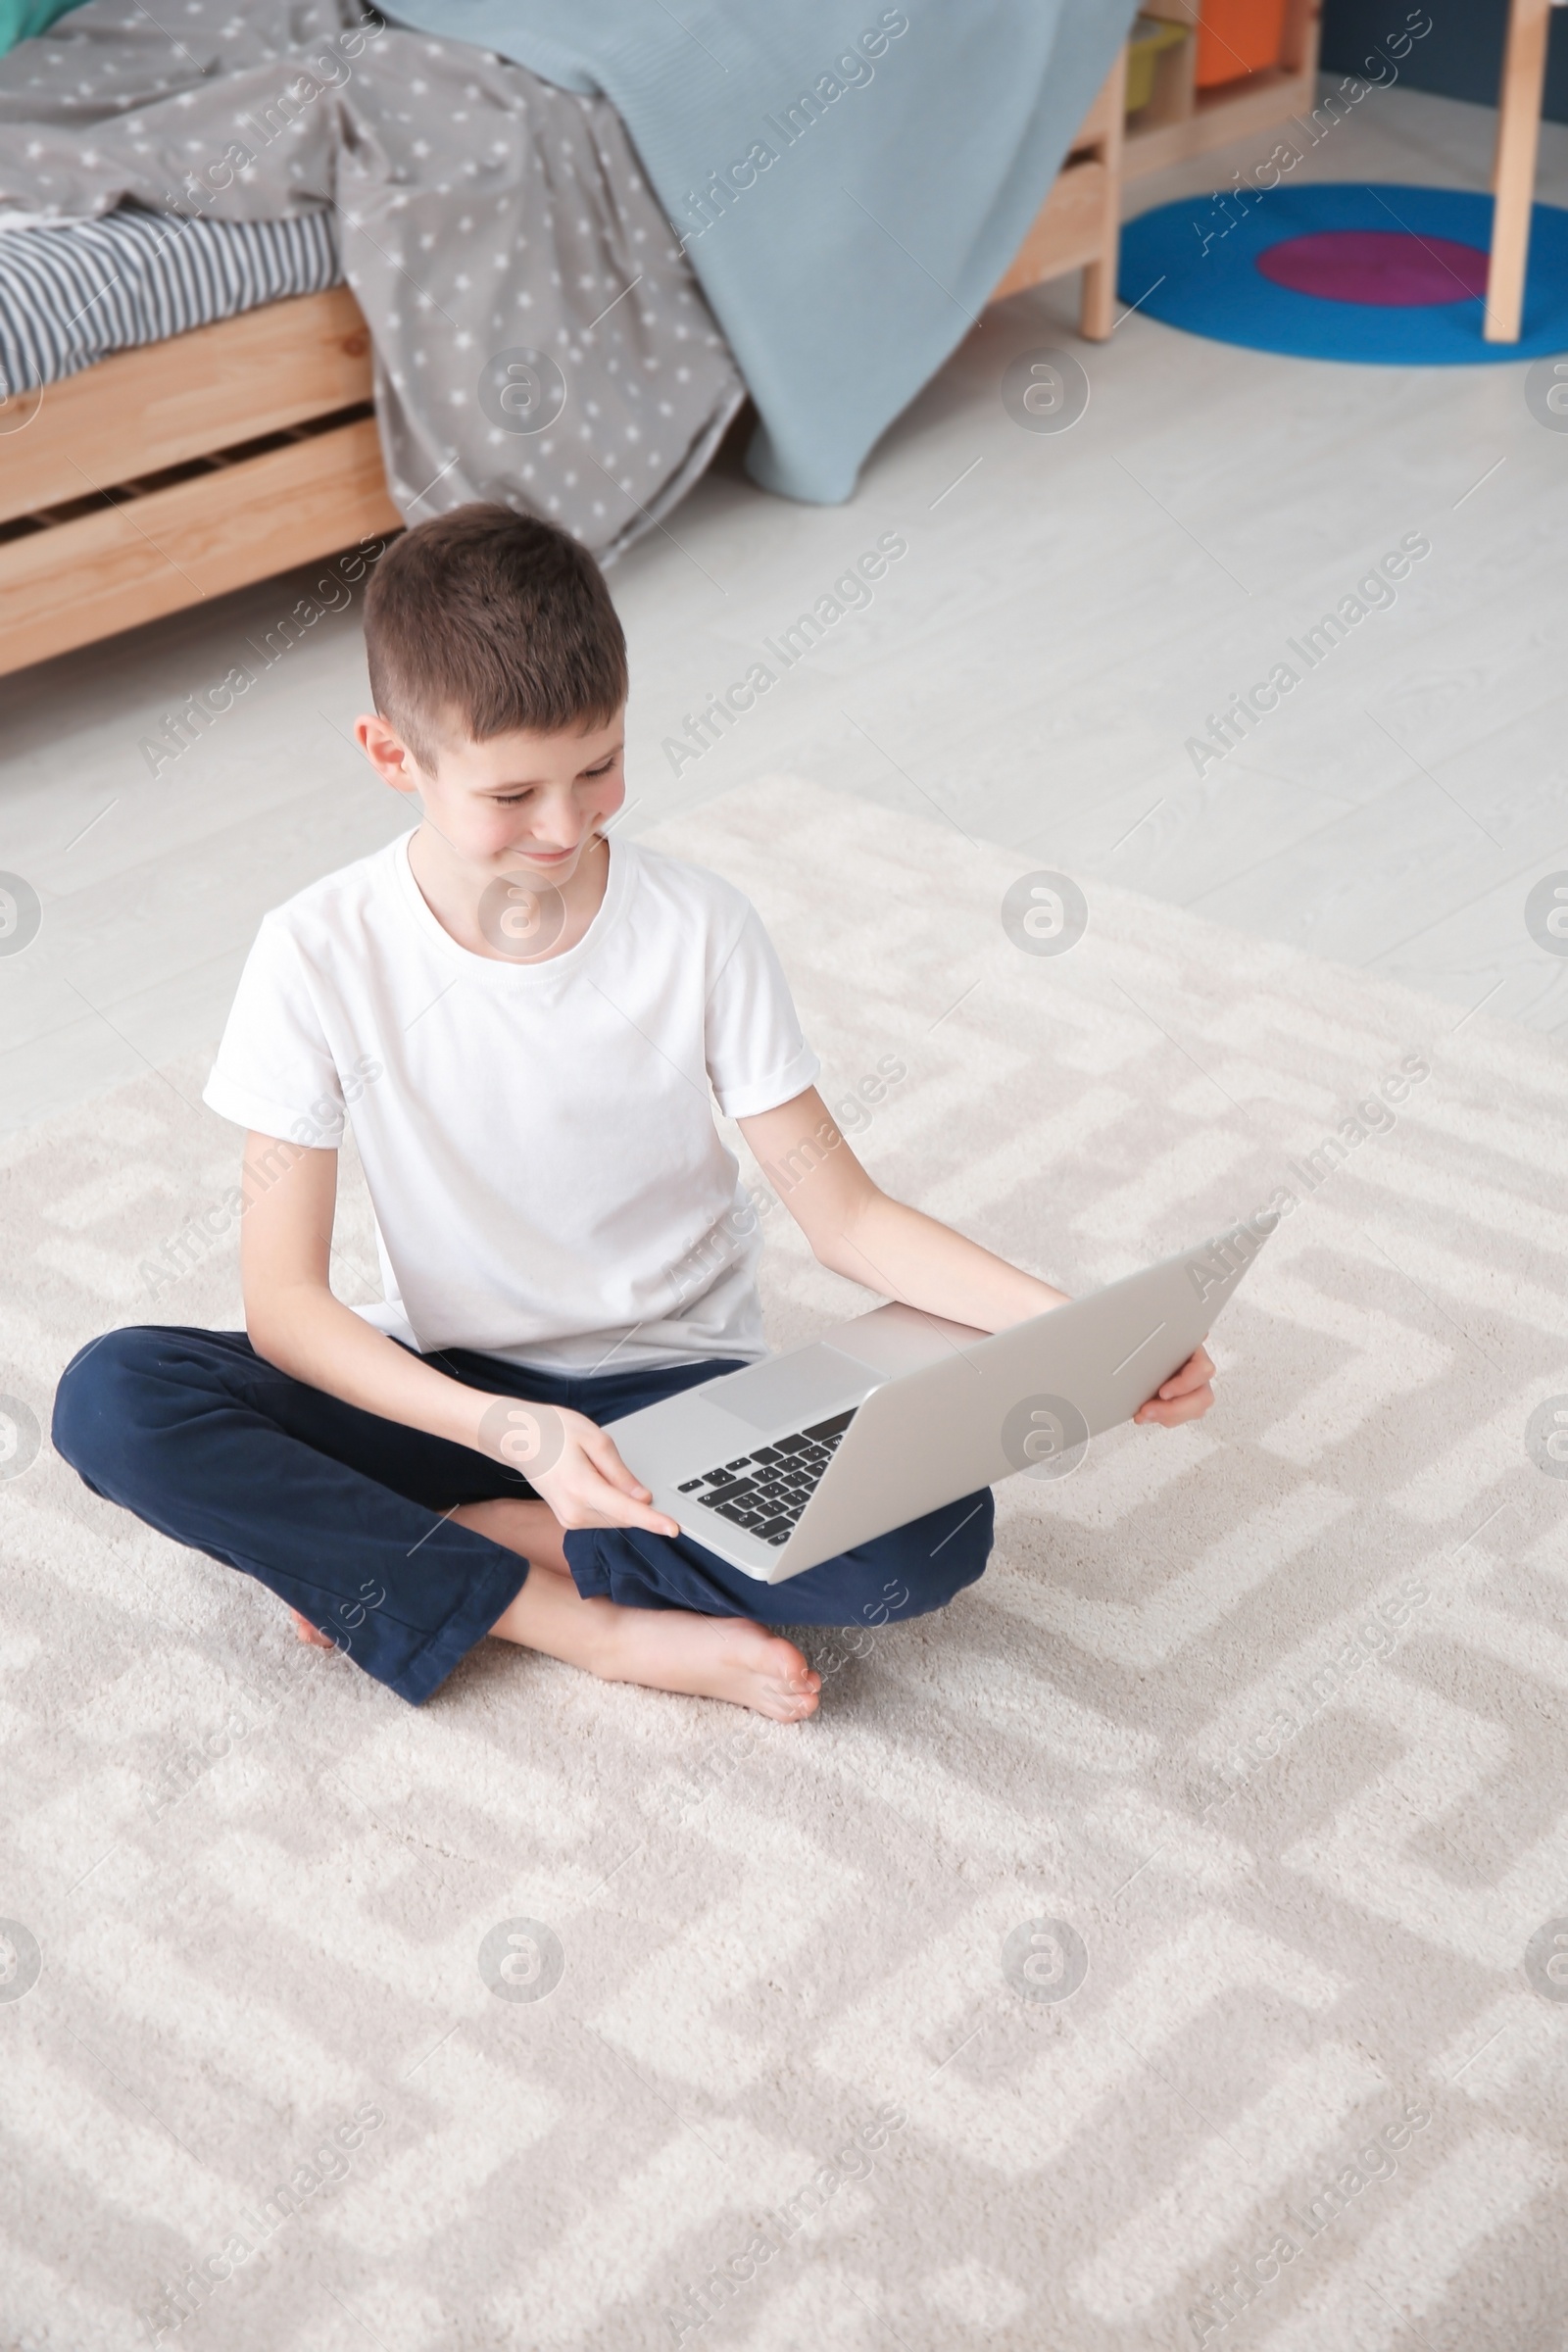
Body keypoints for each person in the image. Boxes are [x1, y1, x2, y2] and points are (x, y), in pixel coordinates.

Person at [52, 506, 1215, 1722]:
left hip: (675, 1393)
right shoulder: (312, 951)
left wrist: (1091, 1339)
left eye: (598, 766)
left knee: (933, 1539)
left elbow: (851, 1220)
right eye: (511, 793)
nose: (565, 827)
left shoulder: (701, 930)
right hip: (457, 1391)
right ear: (393, 756)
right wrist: (518, 1439)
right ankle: (579, 1624)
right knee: (114, 1395)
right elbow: (285, 1309)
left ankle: (451, 1544)